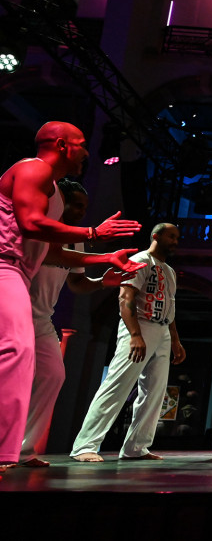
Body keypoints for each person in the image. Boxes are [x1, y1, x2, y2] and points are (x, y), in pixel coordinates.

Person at [0, 121, 143, 472]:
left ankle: (20, 449)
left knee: (50, 372)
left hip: (19, 270)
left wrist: (105, 257)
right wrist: (94, 232)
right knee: (17, 350)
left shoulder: (55, 192)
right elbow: (31, 223)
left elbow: (54, 253)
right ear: (62, 145)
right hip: (4, 265)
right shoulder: (32, 169)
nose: (85, 152)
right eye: (80, 144)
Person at [20, 180, 139, 467]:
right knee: (13, 380)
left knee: (53, 375)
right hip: (16, 313)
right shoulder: (39, 230)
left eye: (84, 208)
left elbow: (76, 282)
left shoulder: (75, 239)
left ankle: (23, 450)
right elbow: (53, 254)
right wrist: (103, 249)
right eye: (75, 205)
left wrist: (102, 282)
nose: (80, 212)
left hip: (43, 319)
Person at [70, 223, 186, 462]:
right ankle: (84, 446)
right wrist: (135, 334)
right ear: (156, 236)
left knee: (154, 392)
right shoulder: (138, 260)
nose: (175, 241)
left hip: (162, 329)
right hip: (140, 325)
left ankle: (136, 447)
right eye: (171, 236)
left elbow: (170, 306)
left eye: (177, 237)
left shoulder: (170, 271)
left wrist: (175, 339)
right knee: (117, 385)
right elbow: (126, 297)